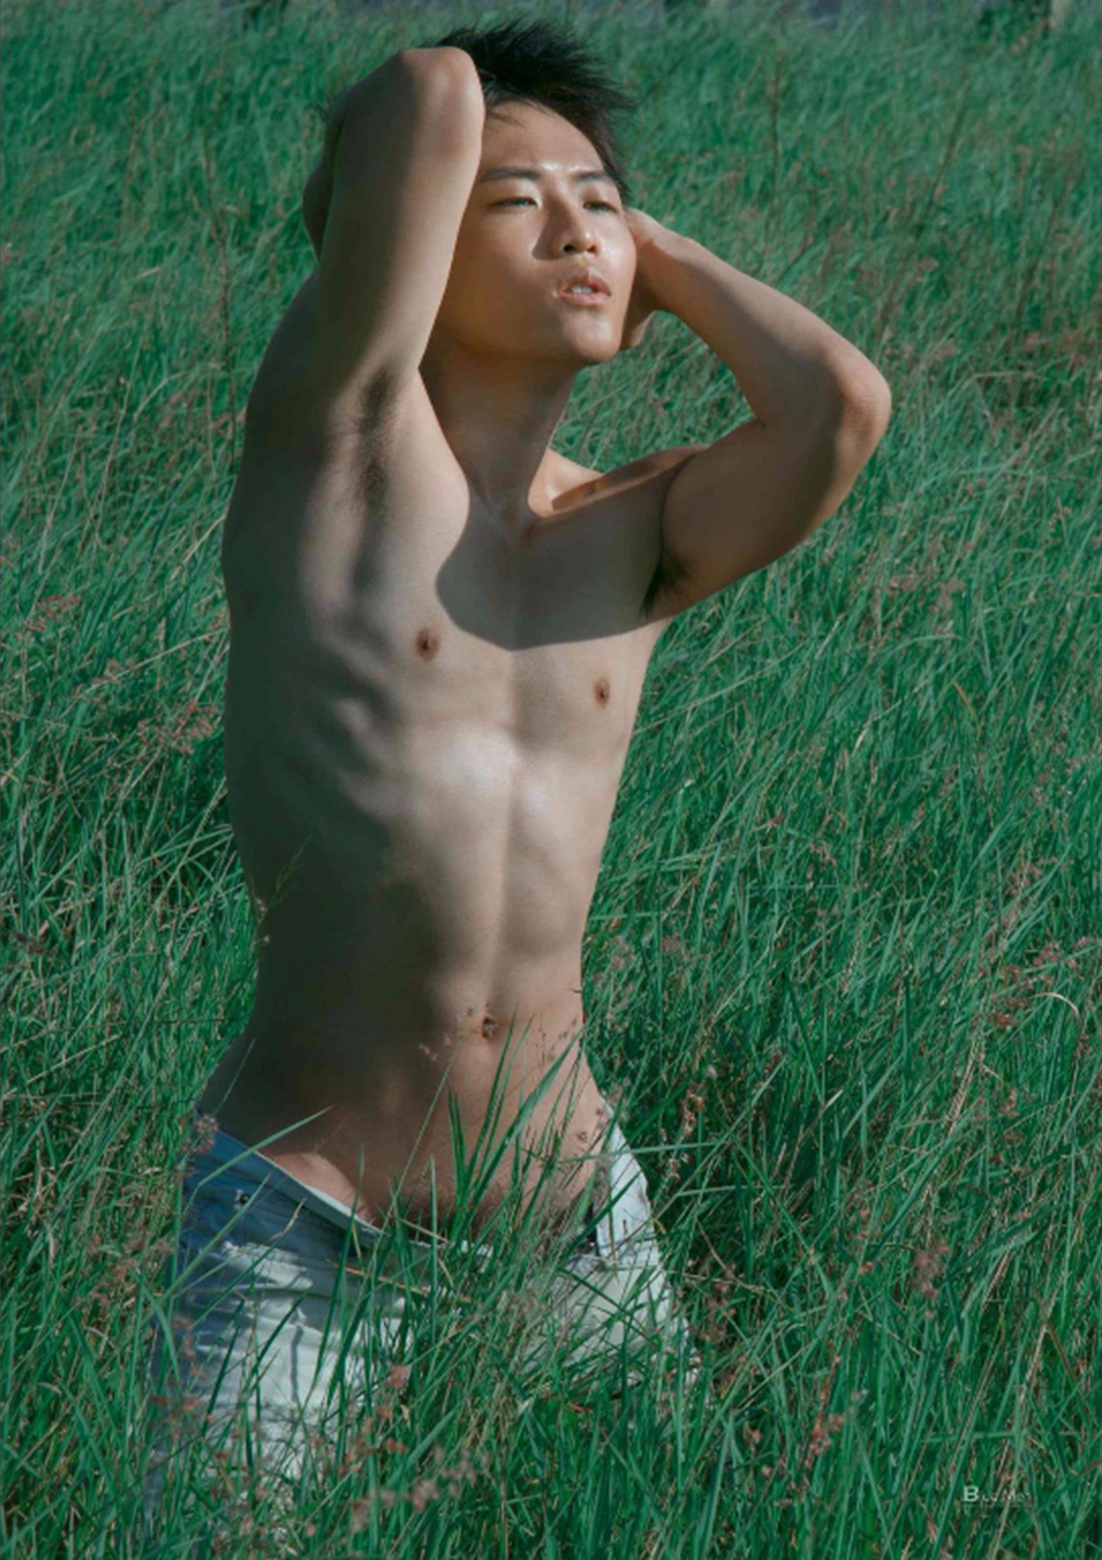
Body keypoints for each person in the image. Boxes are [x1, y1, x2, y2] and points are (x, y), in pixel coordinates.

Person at [142, 15, 891, 1515]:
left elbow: (840, 408)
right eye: (515, 201)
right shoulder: (337, 447)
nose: (577, 232)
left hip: (575, 1231)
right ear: (418, 235)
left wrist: (641, 245)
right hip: (306, 1228)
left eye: (598, 205)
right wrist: (478, 191)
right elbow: (427, 90)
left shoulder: (630, 530)